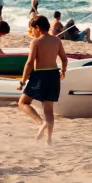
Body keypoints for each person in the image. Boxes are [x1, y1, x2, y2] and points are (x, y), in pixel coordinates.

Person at [17, 15, 65, 144]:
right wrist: (63, 71)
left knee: (23, 102)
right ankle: (48, 140)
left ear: (37, 28)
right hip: (54, 75)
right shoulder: (57, 41)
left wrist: (22, 81)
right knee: (48, 109)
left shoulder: (36, 42)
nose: (31, 32)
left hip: (40, 75)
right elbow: (64, 59)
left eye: (31, 29)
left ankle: (40, 122)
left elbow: (29, 62)